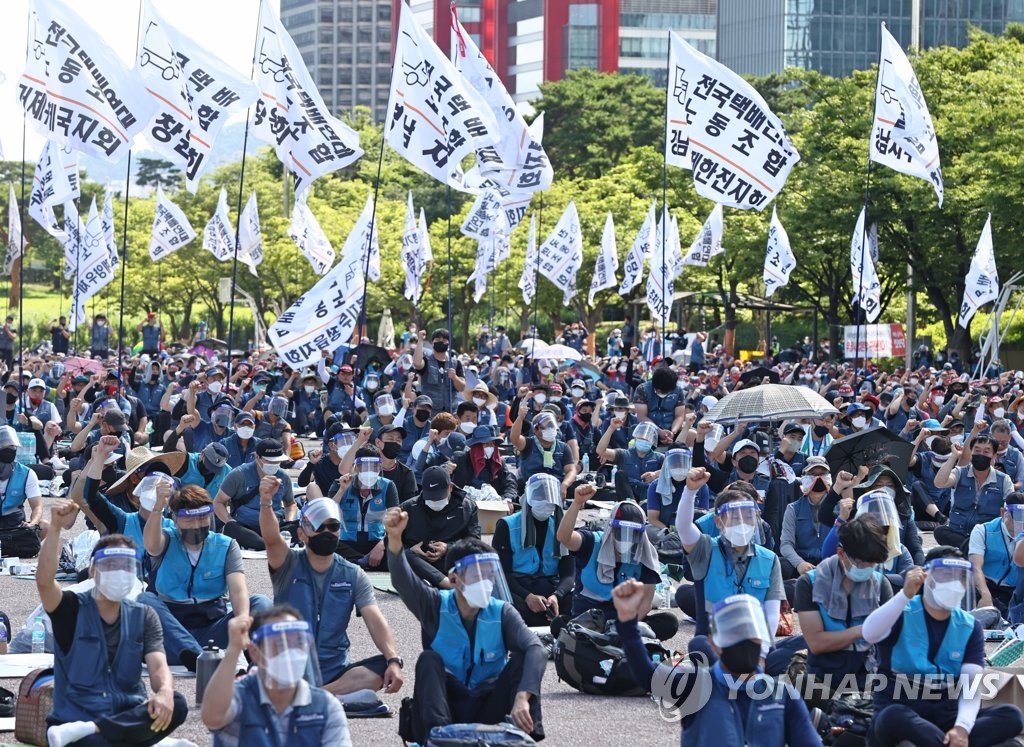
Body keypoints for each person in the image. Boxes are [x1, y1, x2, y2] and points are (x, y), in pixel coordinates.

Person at [384, 508, 544, 743]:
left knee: (524, 658)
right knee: (429, 660)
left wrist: (522, 697)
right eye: (477, 574)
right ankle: (437, 738)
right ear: (453, 578)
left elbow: (536, 649)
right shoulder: (435, 604)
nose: (486, 582)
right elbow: (403, 581)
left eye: (490, 574)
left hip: (488, 704)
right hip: (447, 707)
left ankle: (522, 735)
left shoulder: (502, 612)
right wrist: (395, 538)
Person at [39, 506, 189, 747]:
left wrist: (164, 692)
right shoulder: (70, 608)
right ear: (93, 570)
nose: (119, 571)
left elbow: (159, 667)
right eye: (111, 564)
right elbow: (45, 582)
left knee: (177, 704)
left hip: (121, 715)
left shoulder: (144, 615)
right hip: (73, 718)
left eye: (126, 565)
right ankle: (147, 741)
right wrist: (55, 527)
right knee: (95, 744)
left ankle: (100, 729)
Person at [613, 583, 820, 747]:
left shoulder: (783, 696)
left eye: (750, 634)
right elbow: (648, 676)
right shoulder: (697, 685)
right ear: (714, 644)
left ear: (762, 639)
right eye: (735, 635)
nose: (744, 640)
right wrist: (628, 624)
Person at [863, 547, 1024, 747]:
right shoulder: (901, 611)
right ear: (926, 577)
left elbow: (970, 687)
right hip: (903, 709)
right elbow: (869, 632)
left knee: (1012, 716)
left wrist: (962, 728)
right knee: (892, 717)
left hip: (947, 717)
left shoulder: (969, 626)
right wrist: (904, 595)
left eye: (960, 578)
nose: (954, 584)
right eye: (946, 576)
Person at [263, 498, 404, 697]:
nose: (327, 532)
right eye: (320, 527)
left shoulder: (353, 573)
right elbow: (271, 538)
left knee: (383, 667)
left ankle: (312, 695)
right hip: (289, 666)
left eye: (333, 526)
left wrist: (393, 660)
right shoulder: (286, 563)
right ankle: (317, 695)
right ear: (301, 534)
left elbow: (375, 620)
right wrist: (265, 500)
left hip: (334, 669)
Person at [676, 469, 798, 675]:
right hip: (714, 641)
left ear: (757, 518)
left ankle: (743, 671)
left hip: (755, 645)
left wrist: (760, 656)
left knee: (801, 644)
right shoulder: (705, 549)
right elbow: (683, 527)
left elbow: (770, 617)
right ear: (718, 522)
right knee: (698, 646)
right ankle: (738, 672)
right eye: (734, 517)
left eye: (748, 516)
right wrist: (689, 491)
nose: (742, 522)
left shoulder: (769, 558)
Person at [141, 482, 271, 670]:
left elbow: (237, 589)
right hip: (171, 633)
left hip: (213, 630)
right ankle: (196, 657)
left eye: (202, 518)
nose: (196, 525)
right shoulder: (167, 539)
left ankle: (258, 662)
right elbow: (151, 545)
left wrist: (242, 620)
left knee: (261, 602)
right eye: (189, 520)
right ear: (176, 520)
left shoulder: (226, 545)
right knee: (145, 599)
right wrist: (158, 507)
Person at [201, 605, 351, 746]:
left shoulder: (326, 706)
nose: (291, 652)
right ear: (254, 652)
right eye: (280, 644)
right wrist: (233, 650)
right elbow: (212, 717)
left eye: (298, 643)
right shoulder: (239, 697)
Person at [794, 515, 893, 708]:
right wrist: (866, 630)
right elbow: (817, 643)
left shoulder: (881, 584)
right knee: (803, 686)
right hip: (824, 677)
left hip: (868, 678)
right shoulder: (809, 583)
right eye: (861, 562)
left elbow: (889, 641)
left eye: (872, 564)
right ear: (841, 553)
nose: (867, 569)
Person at [557, 485, 678, 641]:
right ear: (611, 529)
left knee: (669, 622)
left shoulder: (646, 553)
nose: (626, 538)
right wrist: (577, 503)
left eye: (633, 533)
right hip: (588, 617)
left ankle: (610, 638)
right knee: (559, 624)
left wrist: (625, 626)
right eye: (621, 532)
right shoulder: (592, 542)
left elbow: (645, 604)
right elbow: (563, 537)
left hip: (624, 618)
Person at [492, 475, 575, 626]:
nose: (545, 502)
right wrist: (528, 597)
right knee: (504, 605)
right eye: (539, 496)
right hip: (520, 588)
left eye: (549, 498)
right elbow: (502, 573)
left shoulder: (561, 528)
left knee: (578, 602)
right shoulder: (507, 526)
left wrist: (557, 596)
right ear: (528, 496)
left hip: (550, 589)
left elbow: (569, 573)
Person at [397, 466, 481, 588]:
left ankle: (435, 582)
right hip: (418, 562)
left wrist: (448, 548)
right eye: (431, 498)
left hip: (451, 561)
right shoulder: (407, 508)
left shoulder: (468, 507)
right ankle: (445, 583)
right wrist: (412, 549)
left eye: (439, 497)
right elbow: (392, 542)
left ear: (450, 488)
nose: (435, 501)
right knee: (405, 555)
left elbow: (474, 542)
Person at [213, 439, 297, 551]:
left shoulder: (283, 476)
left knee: (302, 528)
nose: (274, 465)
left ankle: (270, 542)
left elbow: (290, 504)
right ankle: (272, 543)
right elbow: (218, 502)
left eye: (277, 461)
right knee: (231, 528)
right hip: (246, 527)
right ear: (258, 457)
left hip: (275, 526)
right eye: (270, 461)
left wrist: (289, 520)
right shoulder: (239, 475)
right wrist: (229, 520)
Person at [934, 433, 1013, 551]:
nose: (981, 454)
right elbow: (939, 482)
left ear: (994, 456)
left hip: (986, 535)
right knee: (940, 531)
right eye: (977, 450)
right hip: (959, 532)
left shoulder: (1004, 480)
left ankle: (968, 551)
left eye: (986, 452)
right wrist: (954, 456)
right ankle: (973, 551)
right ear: (971, 453)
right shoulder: (960, 472)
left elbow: (1010, 509)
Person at [333, 447, 399, 570]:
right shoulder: (340, 484)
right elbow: (327, 515)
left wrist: (381, 545)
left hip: (376, 541)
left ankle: (357, 563)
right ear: (356, 467)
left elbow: (395, 522)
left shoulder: (388, 486)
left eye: (374, 467)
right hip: (346, 543)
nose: (369, 471)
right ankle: (361, 561)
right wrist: (342, 491)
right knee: (326, 543)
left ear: (379, 468)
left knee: (401, 554)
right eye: (364, 467)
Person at [968, 492, 1024, 616]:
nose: (1021, 523)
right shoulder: (982, 530)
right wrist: (985, 595)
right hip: (986, 585)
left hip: (1014, 590)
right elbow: (975, 567)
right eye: (1017, 517)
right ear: (1003, 513)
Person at [780, 456, 834, 579]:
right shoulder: (793, 509)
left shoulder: (838, 507)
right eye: (813, 474)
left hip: (832, 563)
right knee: (783, 565)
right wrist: (799, 563)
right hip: (805, 563)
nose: (818, 478)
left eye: (822, 474)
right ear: (804, 478)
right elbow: (786, 544)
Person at [510, 406, 577, 498]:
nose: (551, 429)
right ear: (536, 430)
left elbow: (571, 470)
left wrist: (565, 484)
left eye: (552, 425)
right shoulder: (529, 443)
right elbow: (514, 439)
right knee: (517, 484)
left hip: (556, 485)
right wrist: (520, 418)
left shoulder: (563, 447)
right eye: (546, 426)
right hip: (531, 486)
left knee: (580, 485)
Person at [595, 419, 665, 503]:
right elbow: (600, 451)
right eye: (641, 436)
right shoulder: (624, 454)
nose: (644, 438)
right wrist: (611, 428)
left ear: (653, 440)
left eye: (647, 438)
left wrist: (656, 474)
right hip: (628, 495)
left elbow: (673, 469)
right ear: (635, 437)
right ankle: (631, 504)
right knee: (620, 474)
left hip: (648, 496)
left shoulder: (659, 457)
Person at [450, 425, 518, 504]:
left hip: (492, 505)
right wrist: (447, 469)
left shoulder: (497, 462)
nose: (490, 447)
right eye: (486, 444)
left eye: (492, 444)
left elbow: (509, 482)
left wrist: (507, 498)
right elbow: (445, 470)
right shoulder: (461, 459)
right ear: (476, 446)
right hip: (464, 505)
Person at [413, 328, 465, 415]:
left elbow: (461, 387)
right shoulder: (426, 361)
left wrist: (455, 377)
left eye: (444, 340)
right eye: (437, 339)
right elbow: (417, 363)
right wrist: (420, 340)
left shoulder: (456, 363)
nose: (441, 341)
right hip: (430, 412)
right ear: (432, 342)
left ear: (449, 343)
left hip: (451, 412)